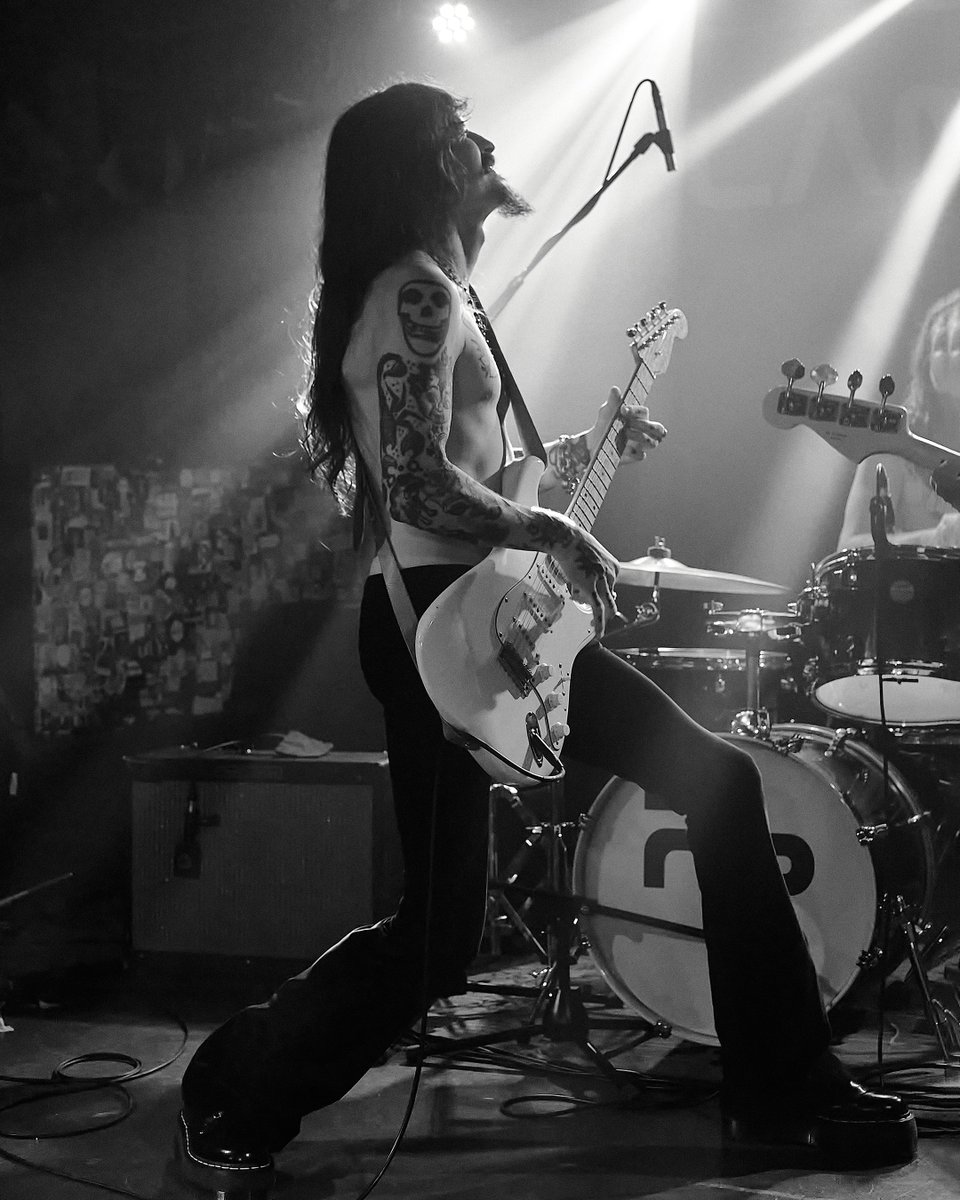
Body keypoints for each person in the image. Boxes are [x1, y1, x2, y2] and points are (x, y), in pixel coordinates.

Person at [177, 81, 916, 1188]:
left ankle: (777, 1085)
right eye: (458, 132)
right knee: (666, 811)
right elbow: (423, 486)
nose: (484, 142)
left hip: (459, 616)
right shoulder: (418, 294)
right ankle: (243, 1075)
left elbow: (450, 465)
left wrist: (566, 456)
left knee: (474, 911)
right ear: (422, 165)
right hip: (446, 629)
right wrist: (557, 525)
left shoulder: (441, 296)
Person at [836, 288, 960, 549]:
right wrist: (936, 538)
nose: (951, 354)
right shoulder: (892, 440)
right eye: (939, 345)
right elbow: (849, 545)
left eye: (958, 342)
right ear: (925, 361)